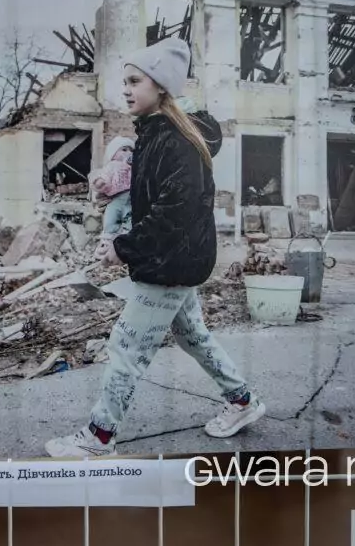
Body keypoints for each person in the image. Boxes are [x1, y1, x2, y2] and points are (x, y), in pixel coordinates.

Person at [45, 37, 264, 458]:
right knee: (193, 336)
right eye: (123, 81)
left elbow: (173, 214)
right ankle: (242, 401)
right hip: (176, 259)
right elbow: (150, 199)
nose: (125, 90)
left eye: (133, 81)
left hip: (170, 262)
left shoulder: (176, 140)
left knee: (126, 347)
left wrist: (124, 247)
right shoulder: (154, 134)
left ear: (160, 85)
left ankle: (99, 437)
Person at [90, 136, 134, 259]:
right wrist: (100, 183)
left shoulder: (135, 168)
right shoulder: (112, 166)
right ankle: (107, 241)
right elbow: (103, 176)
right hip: (115, 197)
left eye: (131, 150)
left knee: (129, 216)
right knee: (111, 216)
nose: (129, 153)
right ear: (112, 153)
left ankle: (126, 237)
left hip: (131, 197)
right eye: (124, 150)